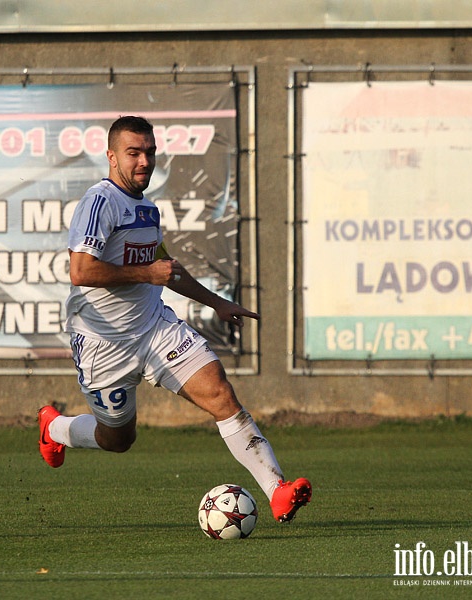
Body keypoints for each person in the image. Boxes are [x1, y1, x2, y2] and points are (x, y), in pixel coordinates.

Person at [38, 115, 312, 523]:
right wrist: (148, 274)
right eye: (134, 153)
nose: (144, 161)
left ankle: (277, 490)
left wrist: (218, 302)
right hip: (103, 343)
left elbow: (164, 266)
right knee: (117, 439)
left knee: (221, 394)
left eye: (149, 152)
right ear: (111, 157)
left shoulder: (146, 208)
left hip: (154, 329)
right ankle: (55, 429)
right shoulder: (100, 203)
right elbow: (81, 271)